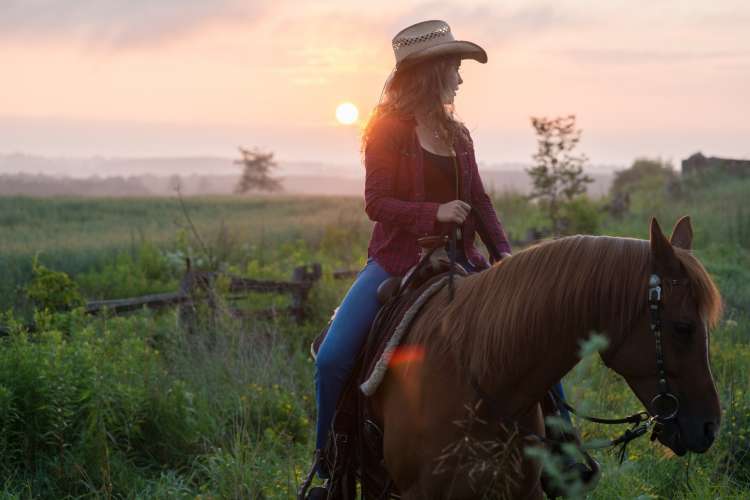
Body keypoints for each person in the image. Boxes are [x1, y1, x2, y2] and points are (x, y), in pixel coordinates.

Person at [312, 19, 572, 475]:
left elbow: (480, 200)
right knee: (333, 358)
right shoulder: (387, 130)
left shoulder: (459, 134)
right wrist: (432, 213)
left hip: (461, 260)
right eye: (454, 66)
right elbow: (376, 203)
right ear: (432, 71)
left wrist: (503, 256)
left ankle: (563, 450)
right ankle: (329, 464)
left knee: (533, 338)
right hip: (395, 263)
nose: (460, 76)